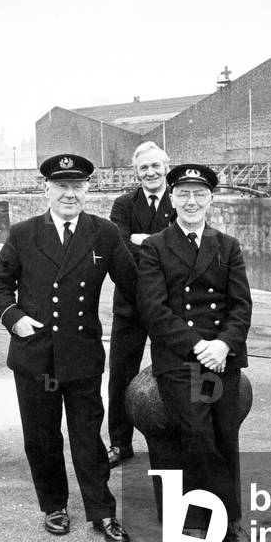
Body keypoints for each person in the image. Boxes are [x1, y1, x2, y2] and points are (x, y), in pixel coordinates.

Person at [0, 153, 137, 542]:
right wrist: (13, 316)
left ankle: (102, 512)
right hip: (35, 355)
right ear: (46, 189)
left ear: (88, 189)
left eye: (77, 186)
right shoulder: (23, 233)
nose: (69, 194)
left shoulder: (103, 233)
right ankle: (54, 505)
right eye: (62, 186)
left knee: (88, 435)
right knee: (41, 436)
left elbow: (134, 284)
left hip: (82, 354)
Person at [136, 164, 262, 542]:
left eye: (199, 194)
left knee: (224, 437)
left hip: (221, 358)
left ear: (210, 199)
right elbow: (154, 310)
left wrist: (224, 343)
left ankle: (220, 529)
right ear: (172, 199)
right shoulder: (155, 246)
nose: (192, 201)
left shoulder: (227, 246)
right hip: (178, 360)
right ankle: (230, 531)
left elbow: (242, 306)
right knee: (198, 435)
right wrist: (198, 346)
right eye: (184, 194)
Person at [106, 141, 177, 467]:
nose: (150, 172)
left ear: (166, 166)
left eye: (155, 166)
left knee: (175, 371)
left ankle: (177, 434)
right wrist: (160, 243)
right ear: (137, 172)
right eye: (143, 168)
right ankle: (120, 443)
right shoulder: (123, 204)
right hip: (130, 303)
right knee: (121, 374)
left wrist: (141, 239)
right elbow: (118, 248)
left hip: (171, 304)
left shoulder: (181, 200)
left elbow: (186, 243)